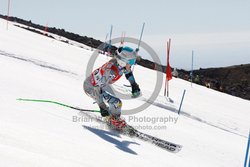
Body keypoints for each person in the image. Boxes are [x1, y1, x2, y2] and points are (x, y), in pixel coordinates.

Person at [83, 46, 140, 129]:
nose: (131, 65)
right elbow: (96, 88)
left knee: (116, 104)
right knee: (116, 103)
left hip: (98, 86)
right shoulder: (111, 72)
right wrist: (102, 107)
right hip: (91, 88)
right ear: (123, 61)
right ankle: (112, 121)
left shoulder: (121, 65)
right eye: (130, 62)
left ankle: (114, 119)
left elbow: (128, 73)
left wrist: (134, 85)